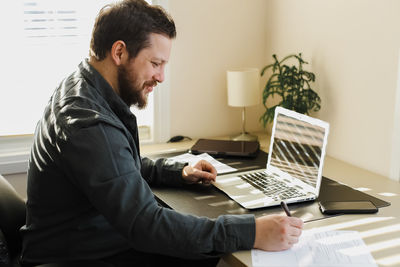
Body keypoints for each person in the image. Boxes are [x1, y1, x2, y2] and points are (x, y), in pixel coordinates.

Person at [20, 0, 303, 266]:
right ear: (119, 52)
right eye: (155, 63)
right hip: (76, 257)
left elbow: (115, 165)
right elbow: (146, 226)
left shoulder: (81, 87)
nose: (161, 76)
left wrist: (177, 172)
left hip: (83, 240)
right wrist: (252, 232)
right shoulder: (89, 122)